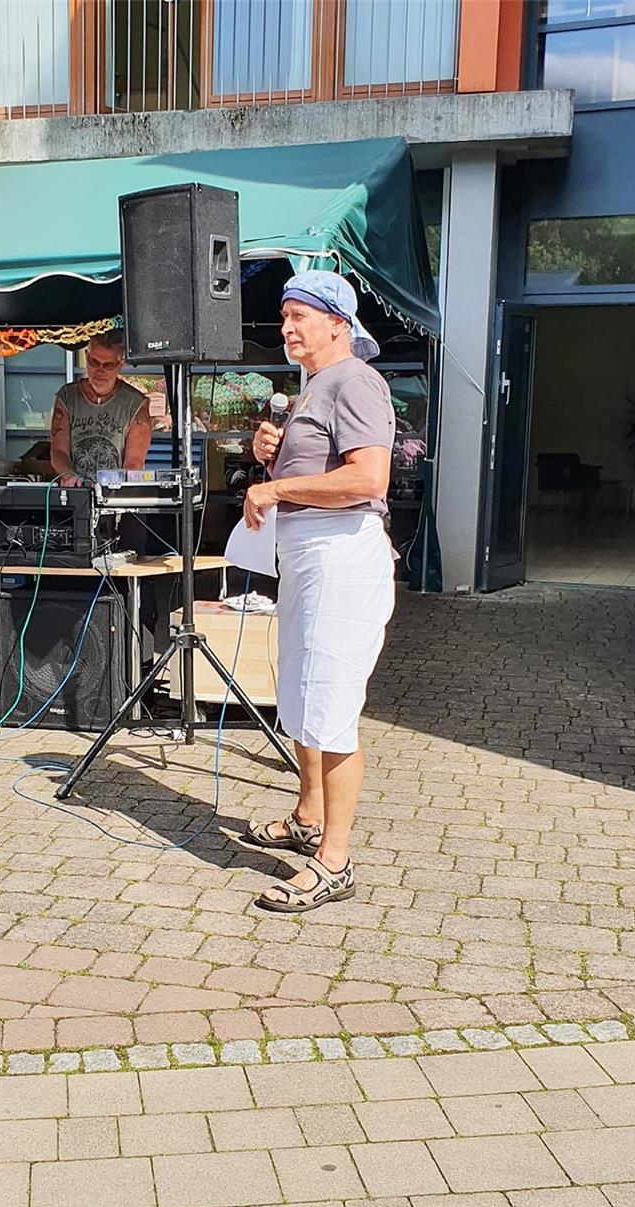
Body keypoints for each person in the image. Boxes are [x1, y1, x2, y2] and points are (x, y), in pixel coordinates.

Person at [241, 271, 396, 913]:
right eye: (284, 317)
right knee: (303, 695)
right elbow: (314, 473)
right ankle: (308, 817)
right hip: (308, 553)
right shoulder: (312, 387)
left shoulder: (357, 379)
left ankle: (334, 862)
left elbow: (367, 476)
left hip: (341, 553)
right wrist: (269, 459)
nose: (287, 327)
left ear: (338, 321)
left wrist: (274, 489)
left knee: (330, 706)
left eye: (299, 314)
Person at [49, 331, 152, 484]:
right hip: (75, 493)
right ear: (86, 355)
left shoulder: (136, 404)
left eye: (108, 365)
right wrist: (69, 476)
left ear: (120, 364)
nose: (100, 371)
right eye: (94, 362)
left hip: (115, 495)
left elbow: (134, 462)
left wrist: (113, 487)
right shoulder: (67, 397)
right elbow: (58, 451)